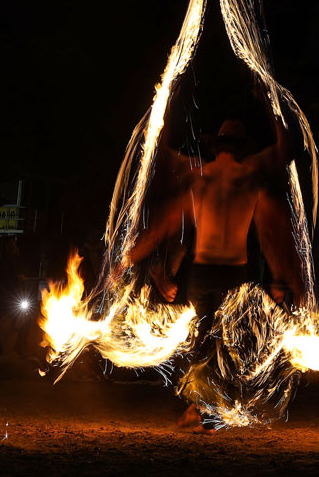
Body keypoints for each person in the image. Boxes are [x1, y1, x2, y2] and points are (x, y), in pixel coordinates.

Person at [124, 115, 303, 430]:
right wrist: (270, 107)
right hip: (234, 273)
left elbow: (171, 218)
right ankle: (208, 408)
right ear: (242, 148)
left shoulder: (199, 176)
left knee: (202, 343)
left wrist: (163, 120)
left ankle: (202, 407)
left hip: (203, 272)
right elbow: (284, 155)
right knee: (228, 345)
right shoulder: (250, 177)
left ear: (217, 145)